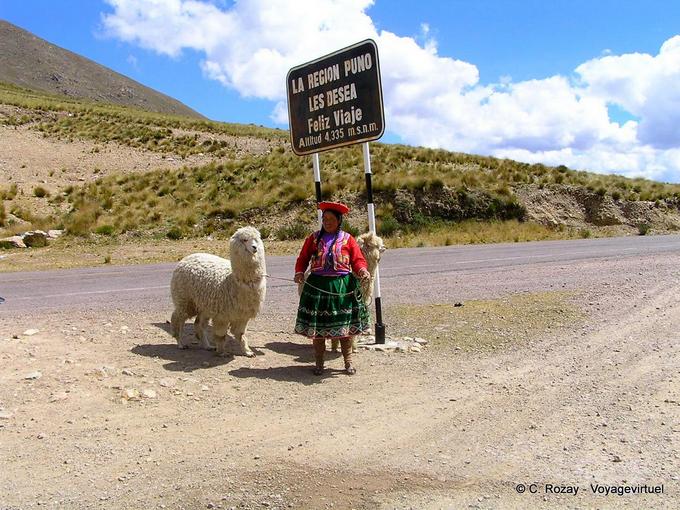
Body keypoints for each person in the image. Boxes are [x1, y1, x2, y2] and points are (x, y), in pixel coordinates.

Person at [294, 201, 371, 375]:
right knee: (318, 330)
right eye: (324, 219)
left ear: (339, 220)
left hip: (342, 287)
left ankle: (348, 362)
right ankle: (319, 363)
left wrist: (362, 270)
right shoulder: (313, 238)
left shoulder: (347, 239)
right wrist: (299, 272)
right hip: (317, 286)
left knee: (344, 329)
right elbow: (303, 258)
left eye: (330, 219)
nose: (327, 222)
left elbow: (357, 259)